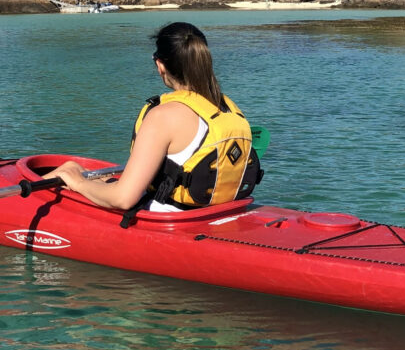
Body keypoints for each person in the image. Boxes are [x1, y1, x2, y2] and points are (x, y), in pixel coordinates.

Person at [42, 22, 261, 219]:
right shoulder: (227, 108)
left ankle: (24, 205)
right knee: (73, 168)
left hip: (170, 219)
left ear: (160, 65)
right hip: (217, 212)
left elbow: (123, 199)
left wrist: (78, 183)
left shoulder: (163, 115)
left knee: (69, 174)